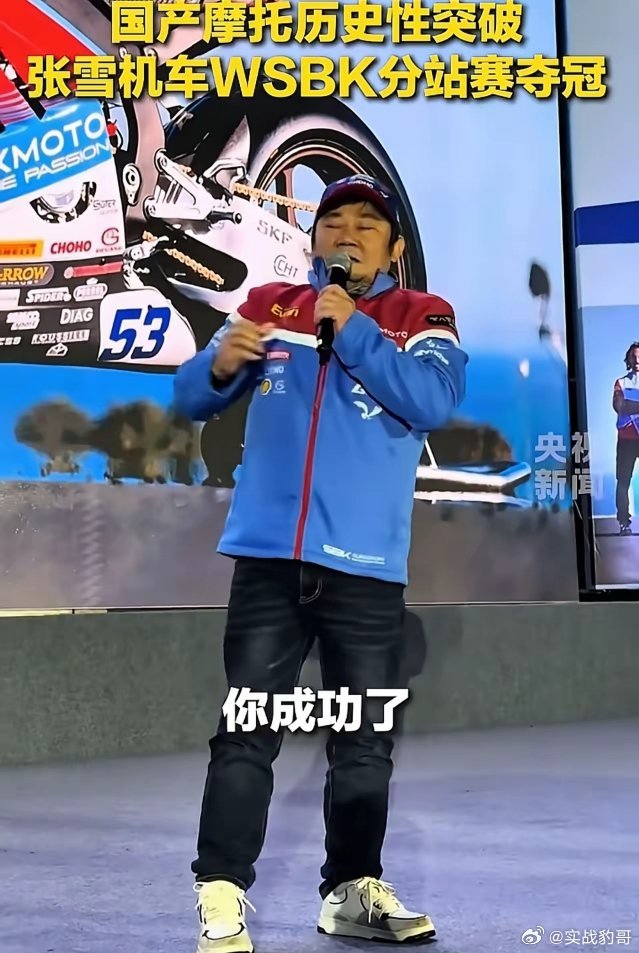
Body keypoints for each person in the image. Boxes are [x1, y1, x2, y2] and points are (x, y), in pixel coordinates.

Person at [173, 173, 468, 953]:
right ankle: (220, 892)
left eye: (367, 223)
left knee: (362, 740)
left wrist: (355, 329)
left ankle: (349, 890)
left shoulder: (421, 316)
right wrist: (217, 366)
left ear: (394, 248)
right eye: (333, 220)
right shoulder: (270, 306)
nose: (347, 233)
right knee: (247, 728)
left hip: (365, 567)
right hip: (268, 559)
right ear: (312, 238)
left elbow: (432, 401)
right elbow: (191, 398)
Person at [612, 342, 639, 535]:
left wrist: (631, 404)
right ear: (628, 360)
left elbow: (627, 405)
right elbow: (620, 406)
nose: (637, 360)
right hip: (627, 439)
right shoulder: (621, 383)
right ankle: (624, 522)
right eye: (633, 357)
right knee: (623, 481)